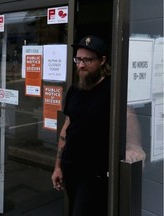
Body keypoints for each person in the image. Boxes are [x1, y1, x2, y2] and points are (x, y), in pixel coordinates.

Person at [51, 35, 145, 216]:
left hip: (94, 175)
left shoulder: (112, 89)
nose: (80, 65)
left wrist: (134, 145)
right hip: (71, 169)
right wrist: (58, 166)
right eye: (78, 59)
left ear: (102, 61)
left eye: (87, 60)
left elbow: (128, 115)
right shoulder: (74, 89)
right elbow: (66, 129)